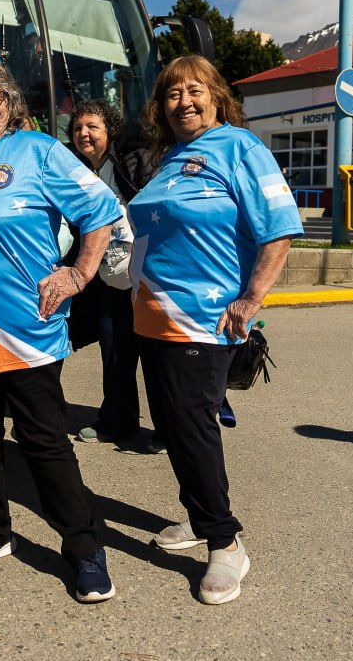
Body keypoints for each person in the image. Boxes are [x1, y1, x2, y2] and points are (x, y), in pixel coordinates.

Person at [0, 56, 121, 603]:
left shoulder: (39, 151)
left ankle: (84, 548)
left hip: (26, 329)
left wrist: (80, 272)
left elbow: (101, 210)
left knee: (43, 442)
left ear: (10, 104)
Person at [126, 55, 302, 606]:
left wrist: (252, 298)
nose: (185, 101)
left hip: (204, 317)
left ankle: (226, 544)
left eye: (195, 90)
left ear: (217, 96)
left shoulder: (240, 148)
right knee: (172, 424)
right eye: (173, 93)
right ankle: (202, 517)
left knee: (192, 423)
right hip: (153, 315)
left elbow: (278, 229)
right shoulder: (173, 158)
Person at [64, 99, 161, 450]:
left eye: (92, 127)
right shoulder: (82, 171)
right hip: (110, 279)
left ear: (110, 131)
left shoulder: (132, 161)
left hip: (144, 280)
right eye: (77, 128)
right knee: (115, 353)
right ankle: (117, 422)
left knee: (155, 358)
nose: (83, 134)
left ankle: (169, 429)